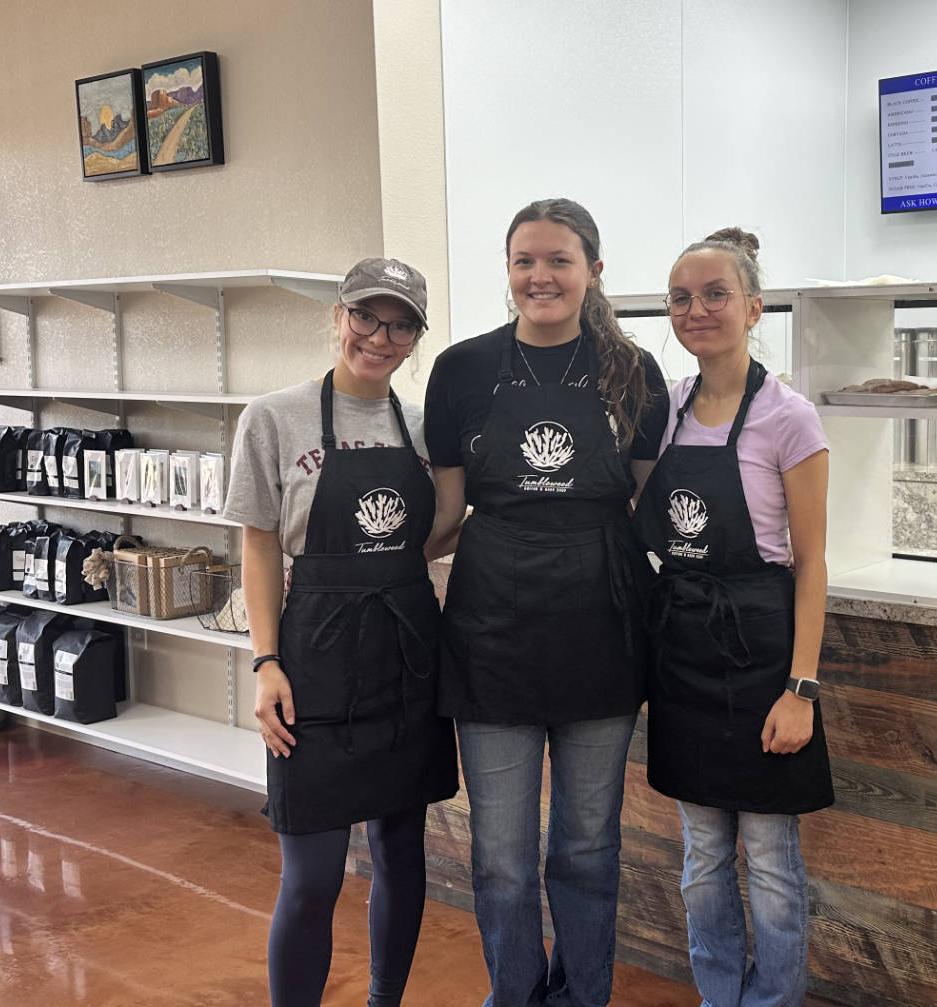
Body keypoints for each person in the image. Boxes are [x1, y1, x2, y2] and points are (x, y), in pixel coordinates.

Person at [424, 198, 669, 1007]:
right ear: (508, 271)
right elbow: (447, 516)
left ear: (593, 271)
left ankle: (582, 996)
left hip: (602, 620)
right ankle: (517, 994)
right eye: (525, 260)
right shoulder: (461, 370)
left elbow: (648, 509)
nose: (541, 276)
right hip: (492, 624)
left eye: (559, 260)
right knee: (499, 852)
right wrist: (348, 559)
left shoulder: (633, 372)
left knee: (588, 845)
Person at [224, 257, 459, 1007]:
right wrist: (265, 661)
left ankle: (383, 1000)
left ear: (417, 337)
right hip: (314, 656)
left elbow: (444, 524)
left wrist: (382, 564)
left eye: (400, 324)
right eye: (366, 316)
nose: (379, 337)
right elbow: (259, 543)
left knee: (400, 850)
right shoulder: (274, 416)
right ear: (338, 316)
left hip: (405, 654)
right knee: (314, 873)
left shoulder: (424, 428)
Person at [635, 228, 834, 1007]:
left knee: (773, 859)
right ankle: (722, 997)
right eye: (681, 298)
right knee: (703, 856)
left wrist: (802, 688)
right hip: (684, 647)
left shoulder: (790, 418)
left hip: (762, 649)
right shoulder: (669, 408)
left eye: (715, 294)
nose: (697, 310)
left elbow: (813, 564)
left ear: (753, 307)